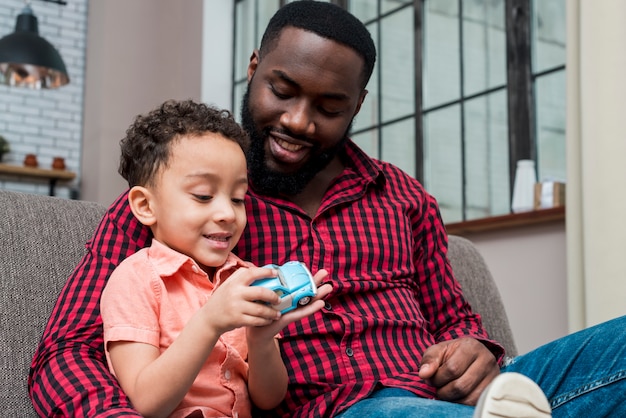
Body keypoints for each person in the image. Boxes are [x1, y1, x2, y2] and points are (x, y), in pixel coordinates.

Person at [29, 1, 625, 417]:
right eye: (282, 91)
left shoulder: (403, 197)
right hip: (348, 408)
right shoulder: (184, 198)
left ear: (358, 104)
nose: (297, 121)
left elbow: (454, 319)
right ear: (254, 67)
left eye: (329, 106)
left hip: (456, 394)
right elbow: (66, 351)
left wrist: (475, 349)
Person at [99, 99, 332, 418]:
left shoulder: (246, 278)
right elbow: (146, 404)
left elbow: (268, 399)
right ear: (146, 206)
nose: (227, 214)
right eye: (203, 196)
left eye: (238, 198)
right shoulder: (135, 279)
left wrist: (261, 340)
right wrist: (209, 322)